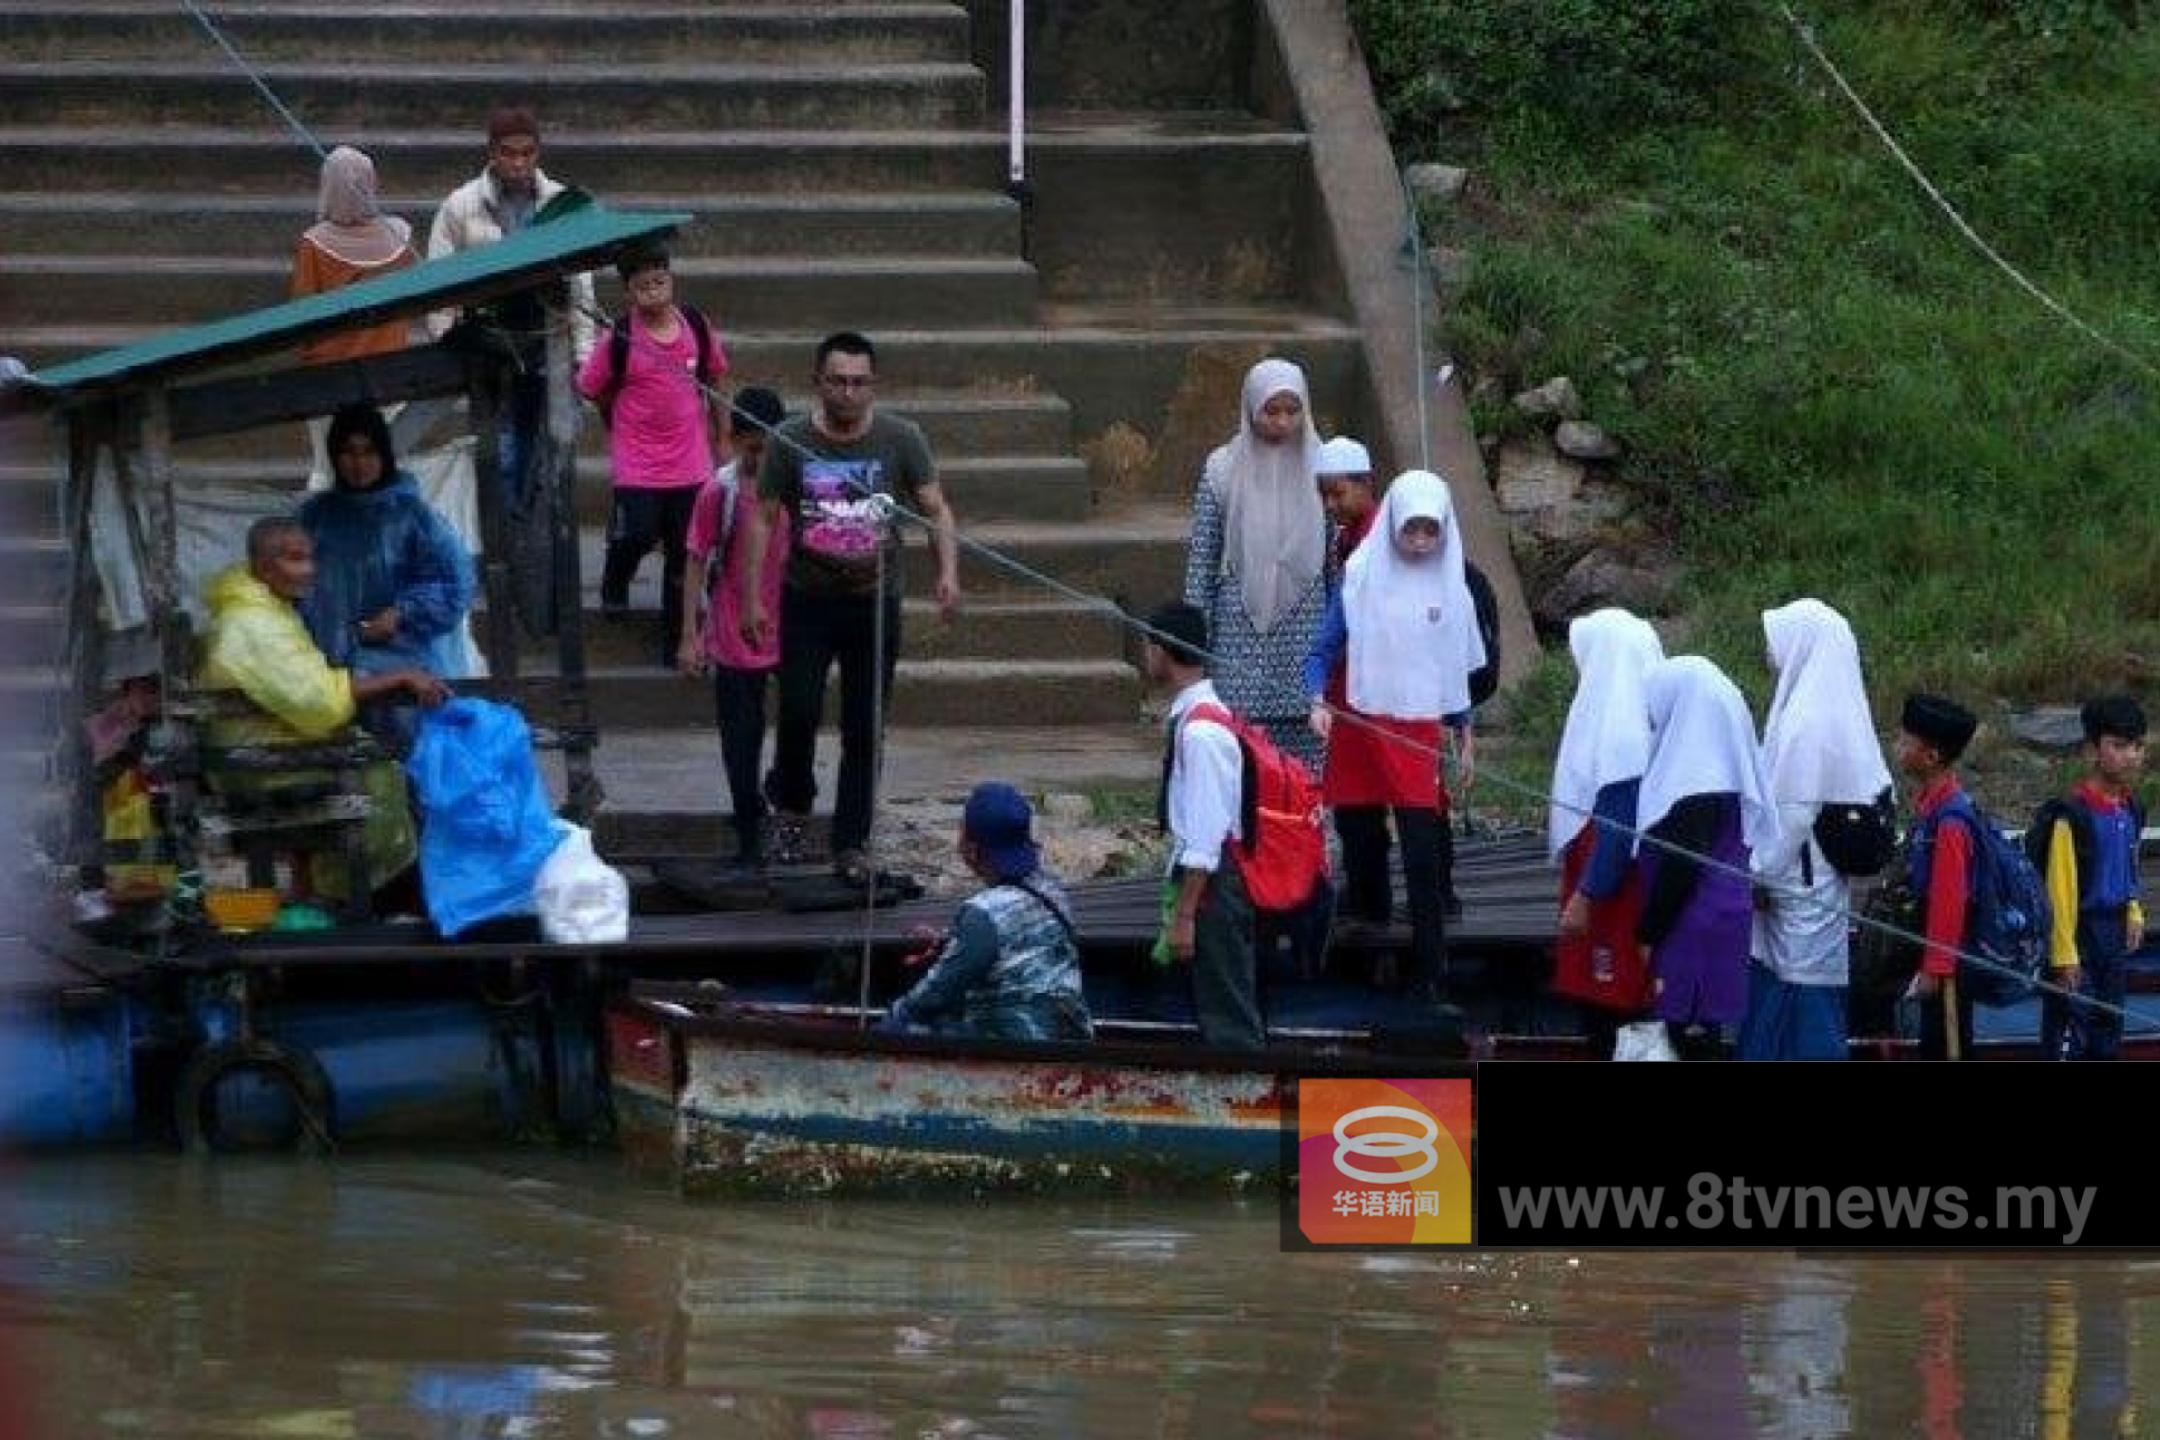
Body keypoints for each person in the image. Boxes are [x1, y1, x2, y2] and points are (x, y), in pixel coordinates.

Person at [739, 331, 961, 882]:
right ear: (818, 382)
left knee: (866, 725)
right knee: (798, 711)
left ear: (873, 386)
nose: (848, 392)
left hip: (873, 604)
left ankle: (851, 838)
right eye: (837, 381)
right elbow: (763, 519)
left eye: (859, 382)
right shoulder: (788, 440)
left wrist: (948, 573)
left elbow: (935, 507)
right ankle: (790, 807)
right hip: (807, 599)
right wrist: (751, 599)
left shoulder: (900, 438)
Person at [199, 518, 449, 900]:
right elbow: (318, 701)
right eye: (296, 560)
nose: (309, 571)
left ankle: (315, 892)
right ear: (265, 568)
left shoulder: (263, 608)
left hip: (260, 755)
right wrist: (399, 677)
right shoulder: (251, 623)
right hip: (260, 767)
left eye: (310, 559)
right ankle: (361, 896)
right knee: (383, 769)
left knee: (373, 752)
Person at [1302, 470, 1481, 1000]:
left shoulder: (1452, 586)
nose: (1422, 542)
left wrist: (1464, 730)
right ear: (1395, 527)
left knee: (1421, 851)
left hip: (1417, 729)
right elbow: (1323, 647)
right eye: (1412, 530)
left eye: (1431, 531)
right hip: (1361, 721)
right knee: (1359, 832)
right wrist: (1316, 698)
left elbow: (1454, 667)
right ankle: (1368, 944)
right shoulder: (1362, 573)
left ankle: (1431, 968)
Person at [1739, 599, 1892, 1062]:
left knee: (1802, 993)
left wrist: (1754, 872)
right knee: (1803, 980)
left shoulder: (1806, 721)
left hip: (1798, 881)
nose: (1770, 651)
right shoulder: (1840, 708)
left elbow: (1792, 812)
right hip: (1818, 878)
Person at [426, 106, 597, 505]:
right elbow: (437, 280)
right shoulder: (460, 205)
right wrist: (447, 335)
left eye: (527, 153)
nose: (518, 163)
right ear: (492, 153)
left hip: (548, 336)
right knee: (499, 444)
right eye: (509, 153)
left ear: (538, 153)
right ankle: (504, 528)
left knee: (555, 442)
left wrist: (584, 354)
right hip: (489, 339)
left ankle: (542, 526)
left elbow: (581, 285)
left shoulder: (560, 203)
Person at [576, 244, 730, 665]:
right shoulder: (619, 339)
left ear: (671, 280)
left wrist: (723, 436)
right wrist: (614, 415)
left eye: (659, 281)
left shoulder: (696, 326)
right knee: (638, 533)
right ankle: (615, 578)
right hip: (638, 464)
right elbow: (590, 386)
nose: (653, 291)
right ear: (629, 292)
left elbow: (715, 379)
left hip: (691, 461)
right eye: (642, 286)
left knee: (685, 552)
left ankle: (674, 641)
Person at [296, 404, 474, 746]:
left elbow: (454, 585)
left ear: (384, 454)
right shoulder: (314, 517)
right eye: (348, 452)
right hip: (332, 664)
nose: (358, 463)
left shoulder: (414, 516)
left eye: (368, 451)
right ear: (334, 456)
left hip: (407, 658)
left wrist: (403, 613)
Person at [1183, 357, 1329, 769]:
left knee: (1306, 762)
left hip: (1306, 628)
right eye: (1271, 410)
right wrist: (1193, 641)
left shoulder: (1326, 466)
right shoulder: (1222, 468)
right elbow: (1203, 558)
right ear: (1251, 408)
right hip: (1238, 630)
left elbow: (1338, 559)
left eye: (1292, 410)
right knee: (1241, 752)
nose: (1282, 422)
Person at [1634, 655, 1779, 1059]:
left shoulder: (1694, 780)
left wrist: (1648, 933)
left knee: (1687, 1041)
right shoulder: (1727, 767)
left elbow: (1682, 863)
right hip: (1722, 916)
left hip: (1691, 924)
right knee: (1704, 1037)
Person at [880, 782, 1092, 1042]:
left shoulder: (983, 913)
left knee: (904, 1026)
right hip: (1072, 1037)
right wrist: (953, 938)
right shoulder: (1052, 889)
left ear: (972, 849)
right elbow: (1013, 941)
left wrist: (892, 1018)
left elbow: (935, 993)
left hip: (1012, 1046)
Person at [1146, 601, 1265, 1052]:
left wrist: (1185, 916)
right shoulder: (1198, 717)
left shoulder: (1201, 733)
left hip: (1217, 886)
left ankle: (1249, 1104)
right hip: (1212, 881)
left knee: (1228, 1013)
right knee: (1220, 1000)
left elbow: (1205, 840)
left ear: (1160, 650)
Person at [679, 386, 789, 867]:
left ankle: (781, 794)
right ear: (736, 441)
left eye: (769, 450)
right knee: (740, 736)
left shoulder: (799, 490)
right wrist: (689, 634)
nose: (759, 460)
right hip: (732, 628)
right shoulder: (718, 492)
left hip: (790, 622)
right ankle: (748, 825)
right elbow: (696, 562)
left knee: (798, 718)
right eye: (751, 449)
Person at [1549, 608, 1666, 1051]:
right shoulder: (1639, 718)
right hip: (1610, 884)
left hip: (1612, 896)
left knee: (1611, 1007)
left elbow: (1619, 828)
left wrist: (1584, 896)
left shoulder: (1621, 733)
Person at [2035, 695, 2147, 1061]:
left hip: (2113, 934)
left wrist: (2133, 910)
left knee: (2107, 1027)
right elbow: (2061, 890)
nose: (2130, 755)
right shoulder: (2073, 816)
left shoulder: (2131, 808)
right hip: (2079, 933)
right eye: (2118, 745)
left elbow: (2129, 864)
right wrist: (2064, 954)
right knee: (2070, 1029)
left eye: (2137, 746)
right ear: (2091, 750)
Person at [1895, 693, 1982, 1061]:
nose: (1896, 746)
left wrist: (1936, 967)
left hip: (1947, 964)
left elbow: (1950, 898)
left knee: (1945, 1045)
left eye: (1904, 741)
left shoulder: (1949, 822)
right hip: (1932, 950)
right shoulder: (1932, 807)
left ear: (1930, 756)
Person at [290, 145, 416, 364]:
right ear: (371, 182)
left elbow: (303, 313)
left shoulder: (313, 244)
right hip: (392, 362)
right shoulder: (401, 237)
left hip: (334, 371)